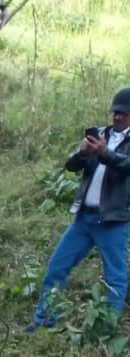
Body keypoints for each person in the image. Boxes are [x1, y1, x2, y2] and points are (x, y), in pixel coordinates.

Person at [32, 88, 130, 330]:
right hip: (84, 219)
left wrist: (104, 153)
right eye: (115, 112)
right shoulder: (99, 135)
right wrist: (82, 152)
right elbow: (71, 166)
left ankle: (105, 328)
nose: (118, 117)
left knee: (114, 278)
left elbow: (126, 165)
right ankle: (44, 321)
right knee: (56, 267)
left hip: (113, 221)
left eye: (124, 114)